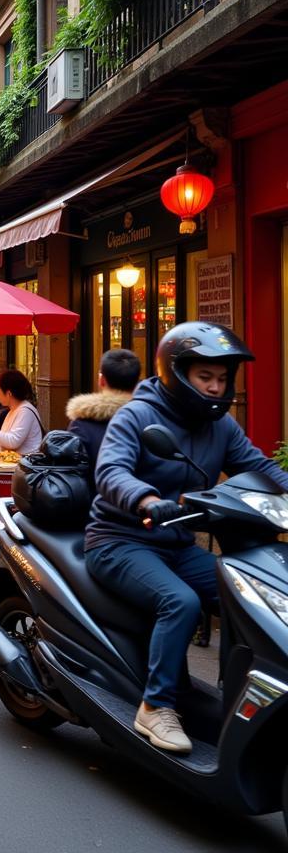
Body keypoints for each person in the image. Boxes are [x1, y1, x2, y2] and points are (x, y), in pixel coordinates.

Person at [86, 321, 288, 755]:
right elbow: (111, 472)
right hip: (118, 540)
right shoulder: (137, 415)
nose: (215, 388)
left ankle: (238, 700)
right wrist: (145, 498)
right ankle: (155, 706)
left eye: (222, 379)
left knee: (246, 595)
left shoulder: (221, 426)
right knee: (181, 602)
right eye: (204, 377)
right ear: (176, 373)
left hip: (176, 545)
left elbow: (260, 469)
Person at [66, 348, 141, 475]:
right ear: (137, 382)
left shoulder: (82, 425)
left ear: (101, 380)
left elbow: (72, 474)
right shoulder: (150, 418)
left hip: (97, 494)